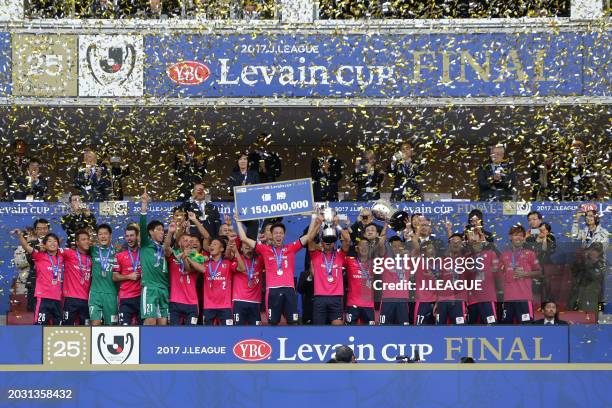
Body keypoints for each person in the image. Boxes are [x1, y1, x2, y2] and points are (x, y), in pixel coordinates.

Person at [235, 213, 318, 325]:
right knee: (273, 323)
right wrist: (238, 221)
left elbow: (308, 237)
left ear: (284, 235)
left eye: (281, 233)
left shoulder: (291, 248)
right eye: (276, 233)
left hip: (289, 290)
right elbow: (244, 238)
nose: (278, 235)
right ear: (272, 236)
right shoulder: (264, 249)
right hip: (273, 290)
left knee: (293, 322)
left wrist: (313, 217)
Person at [12, 230, 63, 325]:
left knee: (58, 327)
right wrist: (20, 235)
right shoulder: (39, 256)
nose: (53, 243)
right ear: (44, 245)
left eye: (55, 241)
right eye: (49, 241)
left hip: (57, 298)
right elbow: (26, 246)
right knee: (39, 325)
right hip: (43, 298)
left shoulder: (61, 257)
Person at [308, 215, 351, 325]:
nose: (328, 242)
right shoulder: (316, 255)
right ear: (321, 242)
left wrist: (337, 225)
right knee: (319, 328)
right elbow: (310, 239)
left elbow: (347, 239)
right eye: (325, 240)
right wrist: (318, 224)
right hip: (320, 297)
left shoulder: (340, 255)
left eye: (331, 240)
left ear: (334, 242)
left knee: (337, 327)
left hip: (336, 297)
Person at [499, 225, 542, 324]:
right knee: (506, 327)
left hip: (524, 298)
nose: (518, 237)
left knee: (527, 327)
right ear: (510, 237)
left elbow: (539, 272)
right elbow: (498, 274)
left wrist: (525, 274)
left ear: (524, 238)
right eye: (515, 235)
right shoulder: (504, 255)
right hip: (508, 299)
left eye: (521, 235)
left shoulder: (530, 253)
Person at [140, 187, 170, 325]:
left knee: (163, 323)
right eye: (158, 230)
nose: (161, 232)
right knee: (151, 320)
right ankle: (145, 346)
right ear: (150, 232)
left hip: (163, 288)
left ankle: (158, 346)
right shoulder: (146, 244)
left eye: (162, 230)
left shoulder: (164, 248)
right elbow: (142, 225)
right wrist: (144, 205)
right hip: (150, 288)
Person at [200, 237, 245, 326]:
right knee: (207, 335)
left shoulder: (227, 263)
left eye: (215, 244)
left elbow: (242, 268)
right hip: (208, 306)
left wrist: (236, 252)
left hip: (225, 307)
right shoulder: (205, 263)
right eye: (211, 244)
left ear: (222, 249)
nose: (211, 245)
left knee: (228, 335)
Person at [165, 228, 206, 326]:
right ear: (179, 242)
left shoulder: (197, 257)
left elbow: (189, 269)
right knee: (174, 334)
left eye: (190, 241)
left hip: (191, 303)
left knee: (190, 334)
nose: (188, 242)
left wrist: (186, 257)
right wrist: (171, 232)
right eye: (185, 240)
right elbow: (166, 248)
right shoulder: (173, 255)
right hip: (175, 301)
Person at [466, 229, 499, 324]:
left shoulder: (490, 254)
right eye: (472, 239)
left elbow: (497, 273)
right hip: (472, 300)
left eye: (477, 240)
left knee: (491, 326)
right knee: (472, 330)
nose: (475, 241)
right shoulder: (466, 258)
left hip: (487, 298)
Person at [379, 234, 413, 326]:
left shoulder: (408, 259)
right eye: (394, 246)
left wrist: (409, 236)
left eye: (399, 246)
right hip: (387, 299)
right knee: (384, 328)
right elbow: (381, 244)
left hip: (403, 300)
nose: (397, 249)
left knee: (404, 329)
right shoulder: (385, 258)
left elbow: (416, 249)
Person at [88, 224, 118, 326]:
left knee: (111, 326)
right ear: (97, 237)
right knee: (95, 324)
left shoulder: (117, 252)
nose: (103, 236)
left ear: (110, 235)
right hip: (95, 294)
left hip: (111, 295)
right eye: (100, 234)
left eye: (105, 234)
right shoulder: (92, 250)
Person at [435, 234, 468, 325]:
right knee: (440, 329)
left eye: (458, 242)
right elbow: (438, 281)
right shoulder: (441, 260)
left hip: (459, 300)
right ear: (449, 243)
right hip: (443, 300)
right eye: (453, 242)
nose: (456, 244)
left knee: (460, 329)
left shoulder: (466, 259)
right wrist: (437, 301)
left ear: (462, 244)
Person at [61, 230, 93, 326]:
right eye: (83, 239)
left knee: (86, 330)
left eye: (87, 239)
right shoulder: (69, 253)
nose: (87, 241)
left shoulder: (91, 259)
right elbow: (52, 251)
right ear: (77, 243)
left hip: (86, 300)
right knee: (67, 328)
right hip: (71, 299)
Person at [112, 225, 142, 325]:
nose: (129, 239)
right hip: (126, 298)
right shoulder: (119, 255)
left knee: (142, 328)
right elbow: (115, 277)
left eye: (132, 235)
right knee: (124, 328)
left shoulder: (144, 253)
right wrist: (129, 276)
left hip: (141, 297)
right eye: (127, 236)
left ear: (137, 236)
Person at [344, 238, 376, 325]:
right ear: (356, 248)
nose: (364, 248)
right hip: (352, 304)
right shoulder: (349, 261)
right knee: (349, 332)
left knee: (369, 335)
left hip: (369, 305)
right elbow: (339, 255)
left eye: (366, 246)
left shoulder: (375, 264)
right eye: (361, 245)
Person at [232, 242, 264, 326]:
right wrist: (236, 252)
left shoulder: (260, 260)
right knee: (237, 329)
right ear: (241, 248)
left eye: (249, 243)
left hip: (255, 301)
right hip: (239, 301)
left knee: (256, 331)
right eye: (244, 244)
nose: (247, 245)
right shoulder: (236, 259)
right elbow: (241, 268)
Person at [22, 218, 50, 312]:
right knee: (33, 312)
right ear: (35, 230)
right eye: (39, 228)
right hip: (34, 283)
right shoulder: (31, 244)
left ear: (48, 229)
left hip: (51, 284)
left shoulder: (54, 244)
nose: (42, 231)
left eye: (44, 228)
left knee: (49, 314)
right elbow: (30, 260)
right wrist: (40, 251)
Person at [568, 243, 605, 312]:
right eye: (591, 250)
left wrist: (588, 263)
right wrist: (582, 259)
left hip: (594, 295)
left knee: (595, 314)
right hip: (578, 293)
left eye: (596, 251)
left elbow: (596, 276)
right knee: (573, 312)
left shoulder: (602, 264)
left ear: (600, 253)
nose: (593, 252)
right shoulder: (583, 262)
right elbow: (573, 271)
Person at [174, 135, 208, 201]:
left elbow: (204, 172)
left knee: (196, 204)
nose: (190, 145)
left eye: (192, 143)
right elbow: (175, 172)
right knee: (182, 203)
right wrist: (182, 164)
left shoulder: (201, 156)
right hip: (183, 185)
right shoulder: (179, 156)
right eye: (188, 143)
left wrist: (199, 165)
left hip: (196, 185)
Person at [413, 241, 438, 325]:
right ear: (424, 251)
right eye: (429, 248)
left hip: (436, 302)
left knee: (437, 331)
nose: (432, 250)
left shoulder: (439, 263)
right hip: (423, 302)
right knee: (419, 330)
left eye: (433, 248)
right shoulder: (419, 261)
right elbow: (416, 245)